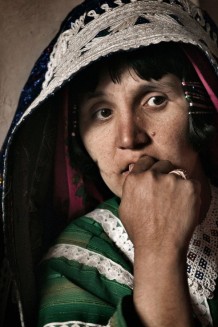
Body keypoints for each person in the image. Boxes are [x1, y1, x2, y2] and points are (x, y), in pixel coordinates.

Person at [0, 0, 218, 326]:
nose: (129, 138)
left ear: (200, 104)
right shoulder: (75, 267)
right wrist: (157, 251)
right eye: (103, 112)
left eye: (155, 100)